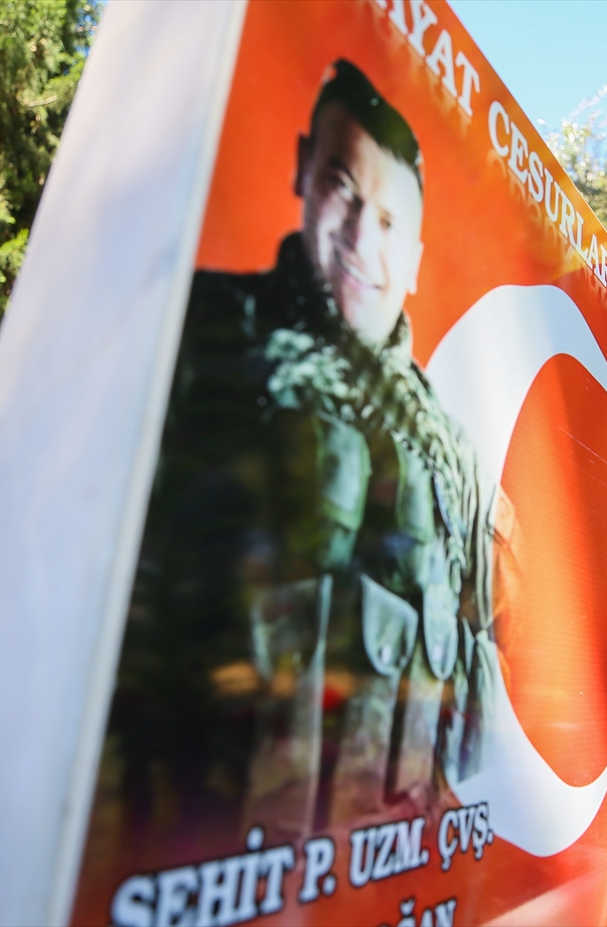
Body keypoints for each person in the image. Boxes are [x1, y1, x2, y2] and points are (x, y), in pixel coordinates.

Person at [93, 60, 492, 854]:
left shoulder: (454, 453)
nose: (360, 240)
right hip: (195, 855)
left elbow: (473, 658)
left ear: (416, 258)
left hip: (390, 866)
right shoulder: (198, 329)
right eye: (343, 190)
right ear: (303, 171)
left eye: (390, 222)